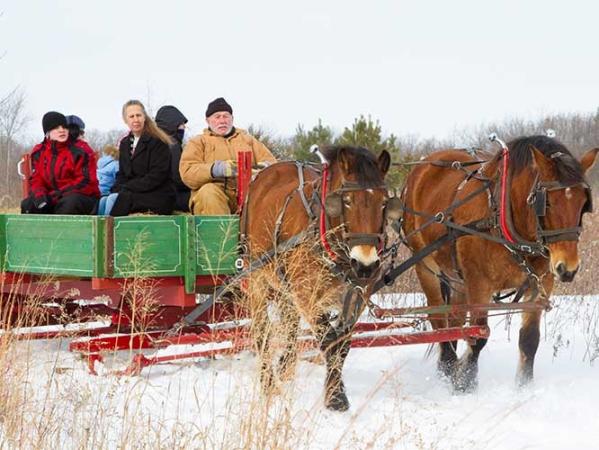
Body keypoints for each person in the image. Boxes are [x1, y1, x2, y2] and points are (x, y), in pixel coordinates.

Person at [180, 97, 276, 215]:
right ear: (208, 120)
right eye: (217, 116)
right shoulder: (198, 142)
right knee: (208, 192)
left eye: (226, 116)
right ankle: (222, 233)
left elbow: (273, 164)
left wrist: (260, 169)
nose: (222, 121)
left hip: (248, 195)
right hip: (215, 197)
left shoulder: (248, 140)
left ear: (232, 118)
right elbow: (187, 173)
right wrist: (217, 169)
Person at [21, 111, 100, 214]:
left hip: (80, 196)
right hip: (53, 198)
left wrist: (56, 195)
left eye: (64, 127)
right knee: (29, 204)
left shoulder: (80, 150)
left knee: (70, 202)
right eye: (56, 127)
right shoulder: (39, 152)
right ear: (48, 132)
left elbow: (85, 182)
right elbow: (37, 179)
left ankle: (60, 230)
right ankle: (32, 230)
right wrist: (40, 195)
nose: (61, 130)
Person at [110, 100, 175, 216]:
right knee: (107, 199)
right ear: (125, 120)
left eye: (138, 115)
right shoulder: (125, 143)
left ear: (144, 117)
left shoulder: (157, 141)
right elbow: (122, 174)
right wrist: (116, 189)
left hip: (157, 194)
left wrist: (127, 188)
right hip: (134, 192)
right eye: (131, 116)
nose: (136, 120)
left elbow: (157, 176)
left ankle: (110, 232)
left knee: (120, 199)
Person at [155, 105, 191, 212]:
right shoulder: (172, 145)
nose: (183, 128)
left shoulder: (152, 142)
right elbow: (177, 178)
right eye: (181, 125)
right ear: (171, 125)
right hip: (170, 197)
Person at [97, 144, 120, 215]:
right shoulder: (116, 164)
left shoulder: (100, 164)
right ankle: (107, 221)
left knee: (103, 201)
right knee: (109, 199)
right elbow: (118, 180)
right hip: (107, 191)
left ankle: (99, 221)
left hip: (98, 191)